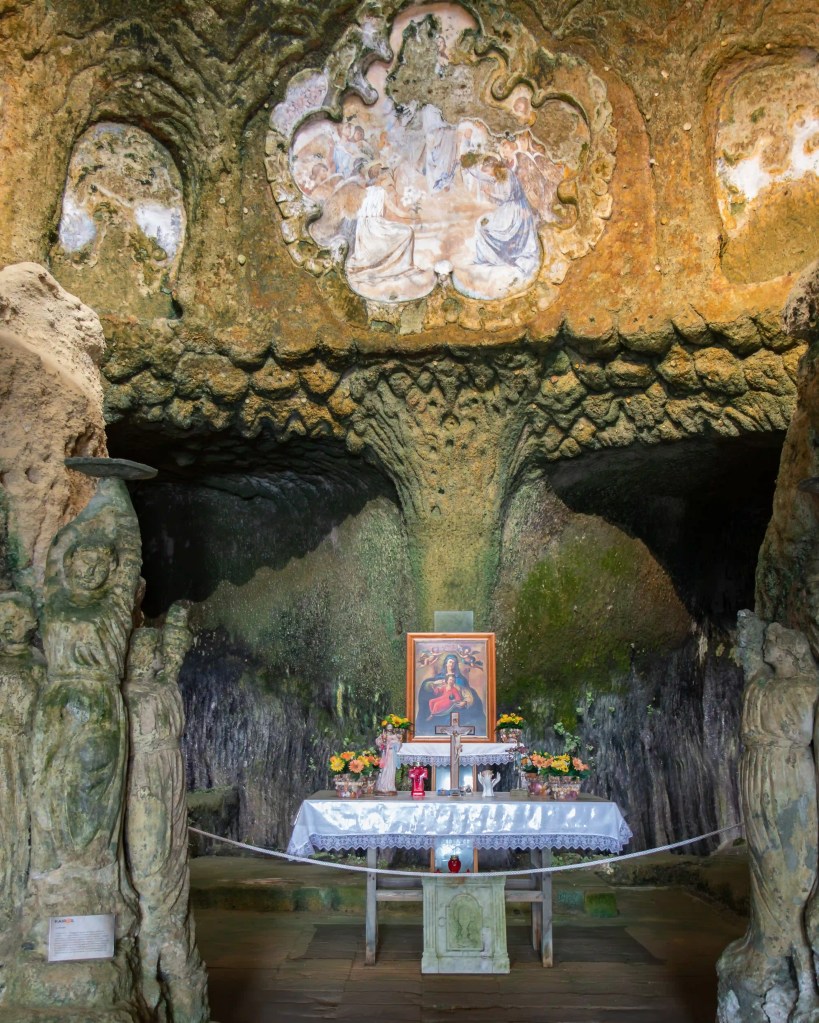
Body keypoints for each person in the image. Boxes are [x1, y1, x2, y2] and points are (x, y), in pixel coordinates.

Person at [717, 614, 819, 1023]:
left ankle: (796, 965)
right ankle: (767, 944)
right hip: (756, 778)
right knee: (763, 865)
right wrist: (747, 628)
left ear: (795, 649)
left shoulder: (809, 690)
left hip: (790, 781)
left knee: (790, 873)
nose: (765, 645)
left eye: (774, 639)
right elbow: (750, 655)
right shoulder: (759, 685)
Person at [417, 654, 485, 735]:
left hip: (456, 707)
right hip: (442, 704)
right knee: (432, 704)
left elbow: (467, 693)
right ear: (446, 663)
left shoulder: (461, 679)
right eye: (450, 662)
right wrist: (433, 684)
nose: (451, 664)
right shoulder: (439, 677)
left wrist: (466, 702)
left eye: (454, 662)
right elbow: (430, 687)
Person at [375, 723, 402, 795]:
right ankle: (382, 787)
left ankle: (390, 787)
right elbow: (378, 742)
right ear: (386, 728)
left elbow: (398, 745)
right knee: (384, 770)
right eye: (388, 727)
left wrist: (395, 741)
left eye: (391, 727)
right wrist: (383, 741)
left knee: (391, 770)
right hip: (385, 754)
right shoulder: (383, 735)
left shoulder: (395, 736)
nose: (389, 729)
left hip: (391, 754)